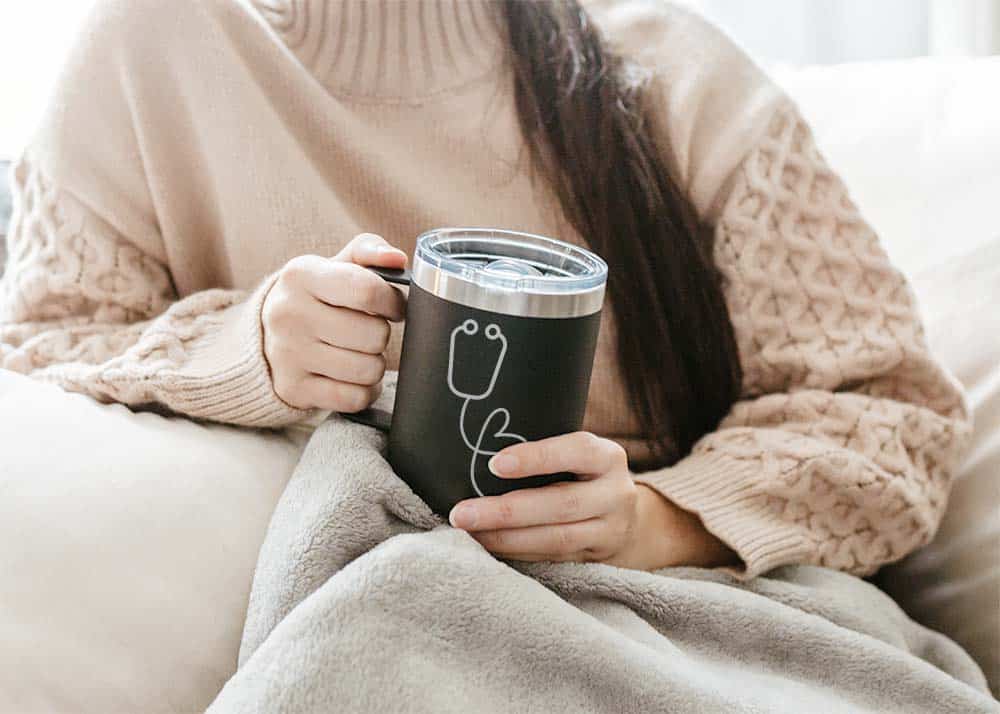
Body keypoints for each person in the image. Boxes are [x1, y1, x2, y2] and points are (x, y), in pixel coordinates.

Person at [0, 0, 969, 578]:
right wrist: (242, 350)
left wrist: (657, 521)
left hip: (700, 614)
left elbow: (894, 419)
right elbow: (39, 352)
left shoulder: (680, 77)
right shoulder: (149, 48)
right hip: (365, 602)